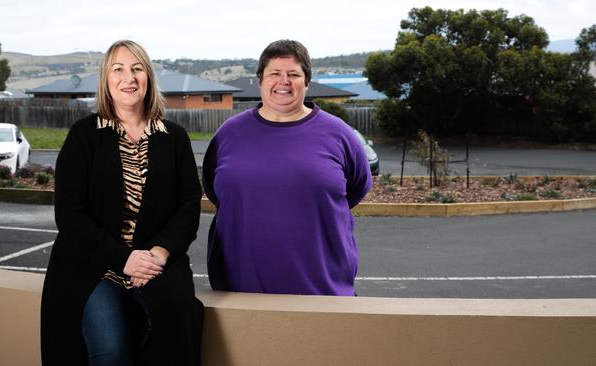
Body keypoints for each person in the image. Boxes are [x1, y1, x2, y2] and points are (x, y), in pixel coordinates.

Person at [41, 40, 203, 366]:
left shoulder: (174, 138)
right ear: (106, 80)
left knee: (174, 335)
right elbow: (70, 216)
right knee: (112, 351)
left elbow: (188, 206)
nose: (128, 77)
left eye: (137, 68)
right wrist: (123, 259)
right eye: (118, 69)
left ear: (148, 78)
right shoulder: (84, 136)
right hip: (94, 264)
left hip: (156, 264)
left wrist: (157, 254)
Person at [202, 39, 372, 296]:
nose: (284, 81)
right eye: (274, 73)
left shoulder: (339, 134)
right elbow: (218, 193)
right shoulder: (229, 134)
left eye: (293, 74)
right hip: (238, 291)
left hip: (323, 293)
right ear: (260, 79)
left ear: (306, 81)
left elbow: (356, 189)